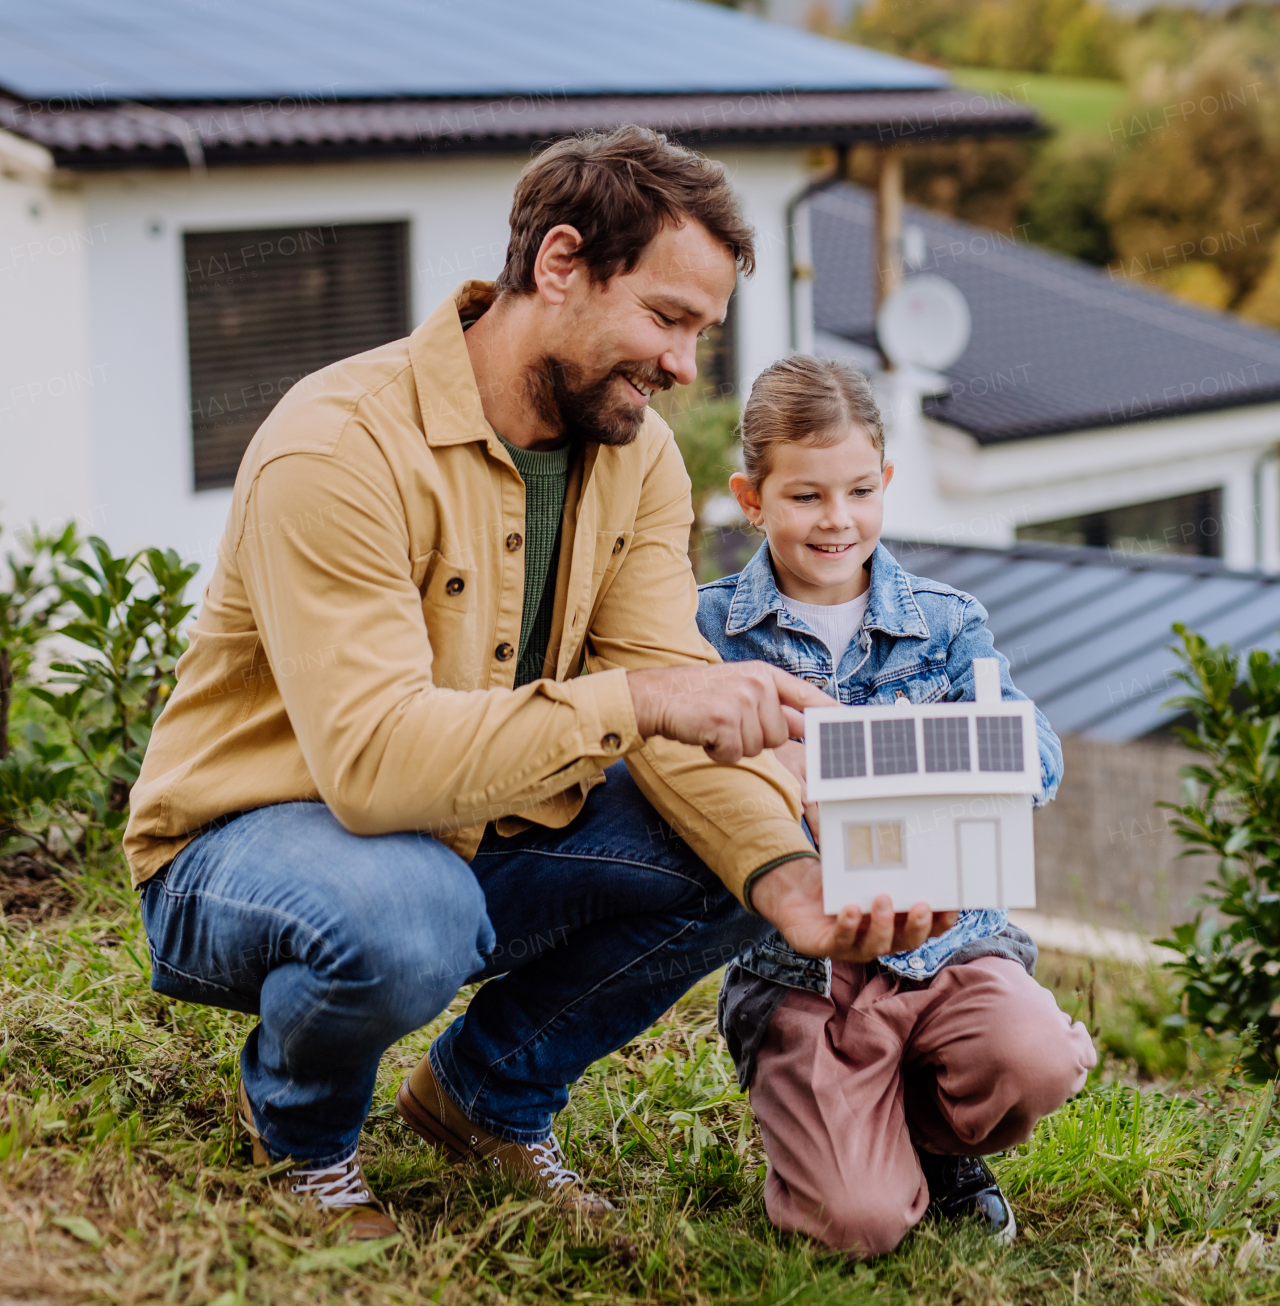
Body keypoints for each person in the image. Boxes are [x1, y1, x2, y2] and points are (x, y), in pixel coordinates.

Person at [125, 129, 942, 1242]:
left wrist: (789, 882)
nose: (682, 368)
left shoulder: (637, 454)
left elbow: (670, 690)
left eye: (701, 332)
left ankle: (483, 1102)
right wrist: (645, 701)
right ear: (559, 264)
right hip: (249, 850)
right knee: (410, 914)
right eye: (665, 319)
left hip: (472, 838)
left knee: (732, 834)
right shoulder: (337, 446)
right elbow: (370, 771)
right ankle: (305, 1141)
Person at [698, 355, 1096, 1256]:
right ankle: (837, 1134)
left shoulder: (950, 622)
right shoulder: (708, 631)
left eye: (859, 490)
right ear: (752, 498)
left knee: (1038, 1058)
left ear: (885, 483)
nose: (837, 520)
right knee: (857, 1225)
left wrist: (986, 756)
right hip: (804, 972)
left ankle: (937, 1143)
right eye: (804, 497)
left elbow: (1035, 749)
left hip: (947, 943)